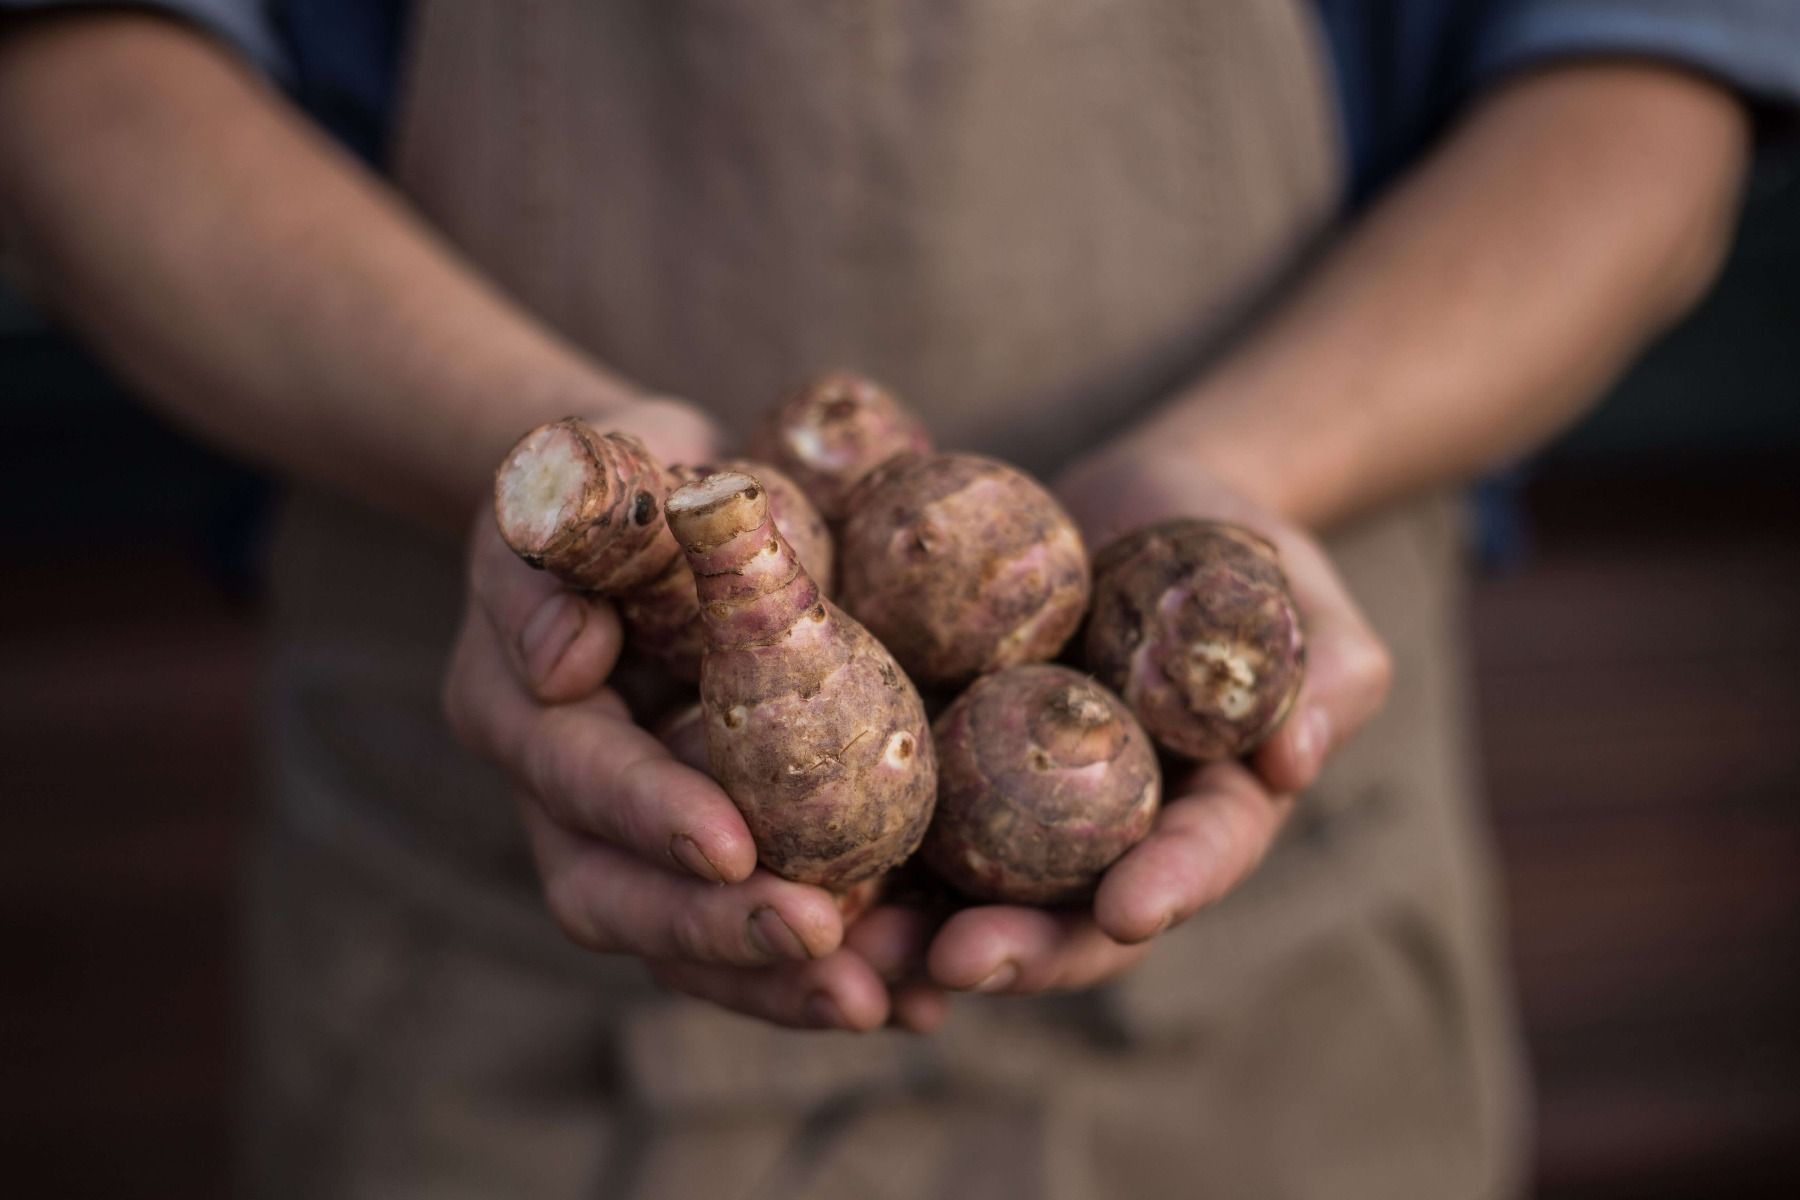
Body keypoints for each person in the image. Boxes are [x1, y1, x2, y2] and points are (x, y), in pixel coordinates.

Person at [1, 2, 1792, 1196]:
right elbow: (74, 90)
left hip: (1277, 1015)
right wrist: (537, 468)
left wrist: (1242, 480)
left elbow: (1645, 89)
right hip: (487, 979)